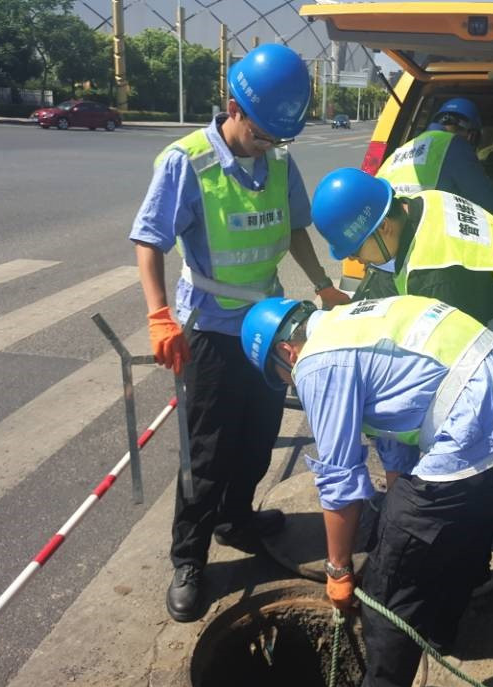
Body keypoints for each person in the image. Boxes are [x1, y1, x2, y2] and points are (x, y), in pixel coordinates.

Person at [240, 294, 493, 687]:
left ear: (286, 352)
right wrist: (399, 513)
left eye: (282, 377)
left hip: (483, 431)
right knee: (463, 529)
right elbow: (395, 429)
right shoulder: (352, 322)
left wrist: (338, 569)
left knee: (386, 597)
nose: (291, 384)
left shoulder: (316, 362)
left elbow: (338, 480)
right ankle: (440, 631)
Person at [129, 43, 349, 623]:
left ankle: (237, 519)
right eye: (261, 135)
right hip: (210, 328)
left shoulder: (278, 159)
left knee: (257, 435)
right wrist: (158, 315)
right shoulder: (187, 161)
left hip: (268, 325)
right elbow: (149, 239)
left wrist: (322, 284)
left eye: (278, 138)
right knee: (207, 452)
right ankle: (190, 558)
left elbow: (296, 228)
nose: (268, 146)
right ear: (234, 109)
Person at [312, 167, 493, 373]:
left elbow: (448, 360)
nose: (355, 259)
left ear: (384, 226)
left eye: (355, 250)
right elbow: (382, 282)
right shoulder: (424, 201)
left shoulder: (436, 275)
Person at [375, 97, 493, 223]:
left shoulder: (401, 150)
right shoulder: (456, 145)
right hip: (423, 230)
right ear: (472, 136)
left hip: (385, 229)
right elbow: (487, 201)